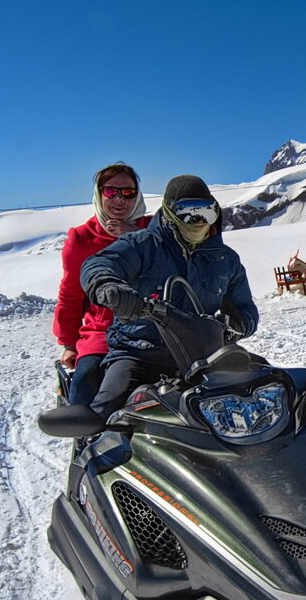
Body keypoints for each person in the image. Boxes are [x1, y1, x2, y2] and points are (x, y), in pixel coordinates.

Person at [81, 174, 259, 420]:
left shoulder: (225, 259)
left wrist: (237, 325)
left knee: (262, 394)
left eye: (206, 212)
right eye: (188, 212)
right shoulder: (142, 245)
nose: (197, 221)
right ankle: (89, 451)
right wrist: (107, 284)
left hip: (206, 356)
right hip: (140, 354)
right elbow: (99, 263)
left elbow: (246, 308)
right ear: (170, 211)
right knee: (107, 412)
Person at [52, 162, 151, 407]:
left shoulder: (152, 230)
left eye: (128, 193)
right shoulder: (82, 238)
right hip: (103, 333)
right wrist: (68, 343)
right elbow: (71, 294)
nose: (120, 199)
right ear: (99, 193)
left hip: (155, 327)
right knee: (86, 383)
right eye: (111, 192)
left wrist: (133, 236)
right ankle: (89, 442)